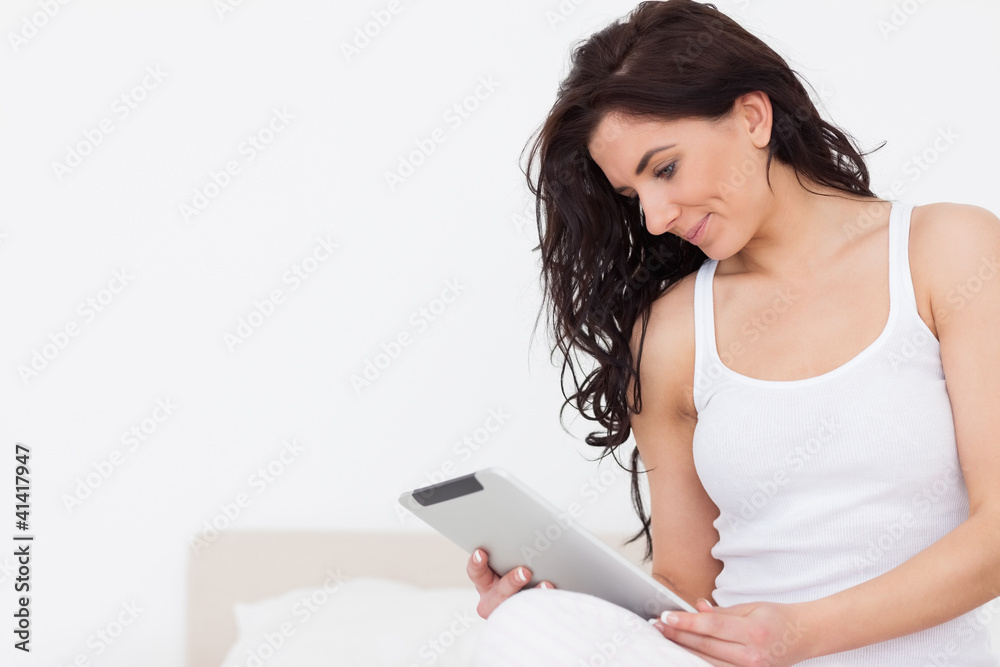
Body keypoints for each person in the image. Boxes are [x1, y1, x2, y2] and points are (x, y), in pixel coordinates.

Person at [465, 1, 1000, 665]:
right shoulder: (671, 332)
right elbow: (684, 592)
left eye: (664, 168)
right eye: (633, 196)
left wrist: (799, 633)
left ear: (752, 117)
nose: (654, 217)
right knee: (525, 628)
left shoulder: (948, 252)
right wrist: (559, 611)